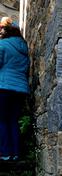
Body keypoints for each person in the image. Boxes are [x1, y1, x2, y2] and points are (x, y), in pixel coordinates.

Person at [0, 17, 30, 161]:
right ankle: (16, 153)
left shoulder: (2, 44)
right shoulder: (24, 47)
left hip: (4, 87)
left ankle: (5, 153)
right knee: (13, 120)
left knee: (2, 120)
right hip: (20, 88)